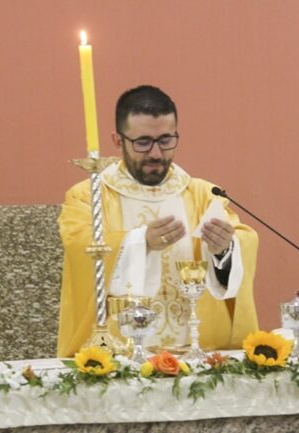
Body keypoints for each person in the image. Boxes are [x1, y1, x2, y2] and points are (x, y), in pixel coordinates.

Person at [57, 85, 259, 357]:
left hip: (196, 353)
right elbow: (80, 249)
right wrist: (140, 242)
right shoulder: (88, 196)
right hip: (120, 357)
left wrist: (223, 250)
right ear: (118, 141)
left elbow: (241, 241)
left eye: (165, 140)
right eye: (142, 142)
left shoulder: (204, 195)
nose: (155, 153)